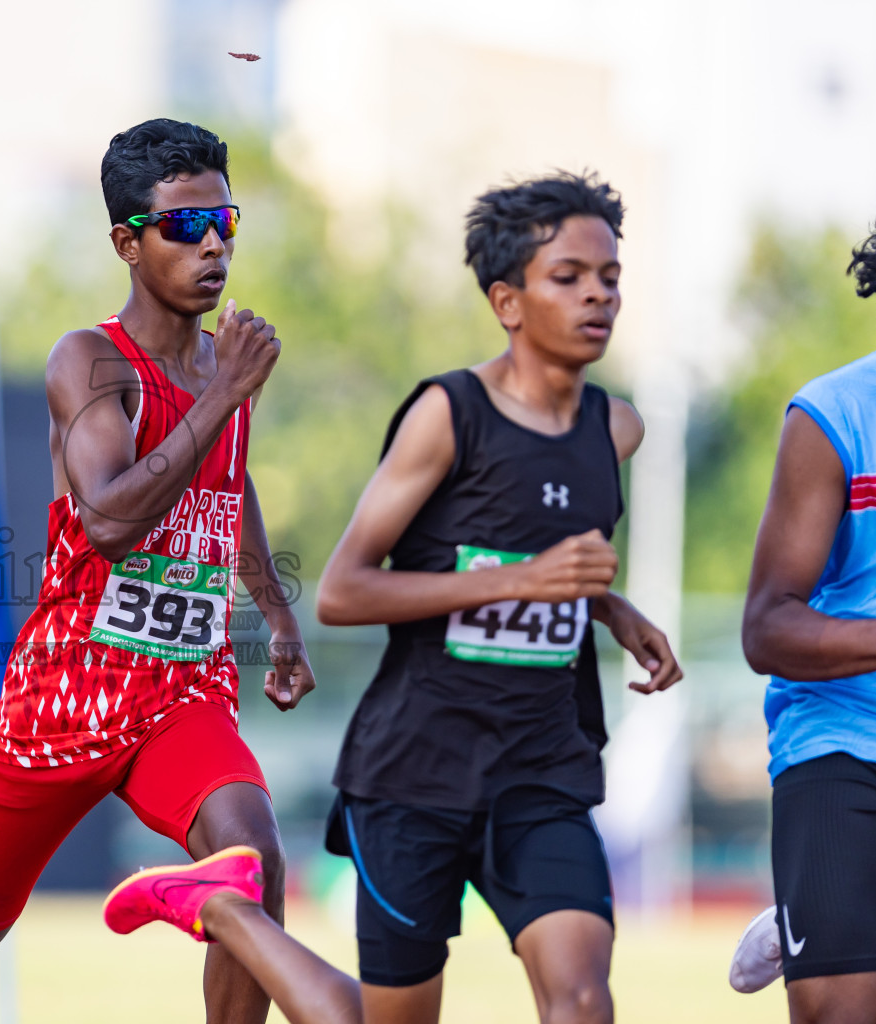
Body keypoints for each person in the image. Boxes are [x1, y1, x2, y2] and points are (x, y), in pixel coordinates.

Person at [104, 170, 684, 1024]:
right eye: (568, 277)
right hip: (417, 771)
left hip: (541, 767)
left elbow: (543, 552)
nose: (599, 295)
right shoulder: (449, 416)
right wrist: (524, 582)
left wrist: (611, 609)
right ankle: (223, 908)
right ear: (508, 301)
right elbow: (342, 591)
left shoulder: (617, 429)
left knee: (583, 998)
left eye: (610, 277)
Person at [0, 118, 314, 1024]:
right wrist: (225, 396)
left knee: (254, 868)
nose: (214, 242)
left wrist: (275, 607)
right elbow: (107, 520)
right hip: (68, 696)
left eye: (225, 220)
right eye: (185, 226)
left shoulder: (224, 362)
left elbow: (230, 481)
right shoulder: (92, 359)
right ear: (127, 243)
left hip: (182, 693)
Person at [720, 151, 876, 1024]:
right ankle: (840, 903)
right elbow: (767, 629)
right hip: (850, 741)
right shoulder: (839, 412)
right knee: (841, 1011)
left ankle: (860, 915)